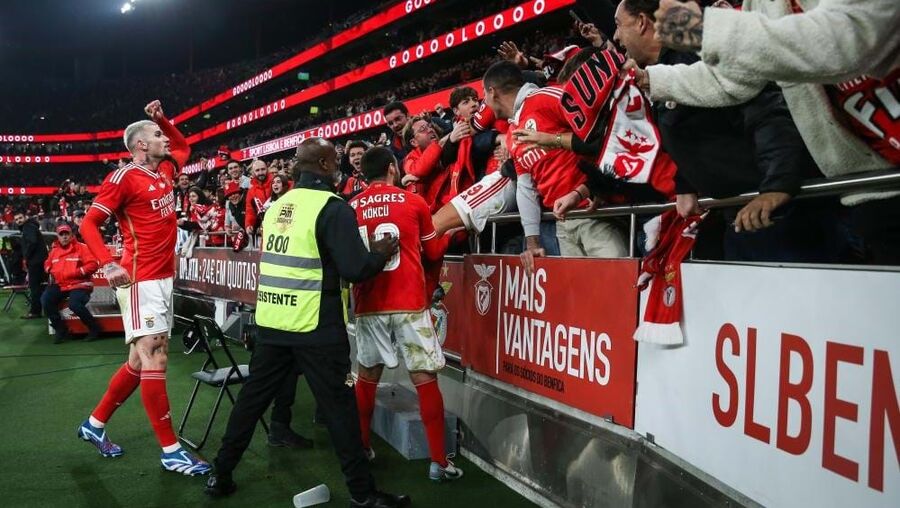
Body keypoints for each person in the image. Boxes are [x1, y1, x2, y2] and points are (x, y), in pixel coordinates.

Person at [205, 138, 409, 508]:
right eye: (336, 160)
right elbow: (355, 269)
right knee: (340, 410)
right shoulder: (333, 208)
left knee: (250, 403)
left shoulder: (278, 205)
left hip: (272, 322)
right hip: (316, 325)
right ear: (327, 164)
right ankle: (363, 495)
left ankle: (221, 473)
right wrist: (379, 253)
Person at [76, 100, 210, 475]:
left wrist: (162, 120)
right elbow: (88, 225)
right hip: (140, 280)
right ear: (139, 146)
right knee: (155, 357)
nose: (163, 139)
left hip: (163, 278)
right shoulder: (122, 179)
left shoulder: (165, 168)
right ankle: (170, 451)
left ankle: (95, 424)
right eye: (156, 135)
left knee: (139, 361)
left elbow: (184, 148)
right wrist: (107, 262)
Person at [349, 146, 463, 482]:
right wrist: (453, 229)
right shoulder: (413, 202)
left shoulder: (350, 206)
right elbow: (432, 251)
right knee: (425, 378)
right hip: (410, 303)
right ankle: (439, 463)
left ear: (362, 174)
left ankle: (363, 448)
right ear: (391, 169)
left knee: (367, 377)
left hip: (369, 303)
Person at [42, 223, 101, 343]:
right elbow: (47, 263)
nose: (64, 237)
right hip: (61, 284)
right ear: (57, 237)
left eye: (66, 234)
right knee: (45, 299)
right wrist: (49, 269)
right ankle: (60, 329)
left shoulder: (82, 248)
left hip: (80, 284)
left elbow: (93, 264)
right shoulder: (54, 251)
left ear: (71, 235)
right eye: (61, 234)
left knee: (74, 304)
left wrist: (77, 272)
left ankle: (94, 328)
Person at [14, 210, 47, 319]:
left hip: (35, 262)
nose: (19, 221)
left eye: (20, 218)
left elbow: (32, 242)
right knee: (41, 287)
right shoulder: (31, 227)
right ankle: (41, 310)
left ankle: (35, 312)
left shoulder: (28, 227)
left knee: (35, 287)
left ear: (25, 217)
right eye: (17, 219)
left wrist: (26, 256)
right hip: (40, 261)